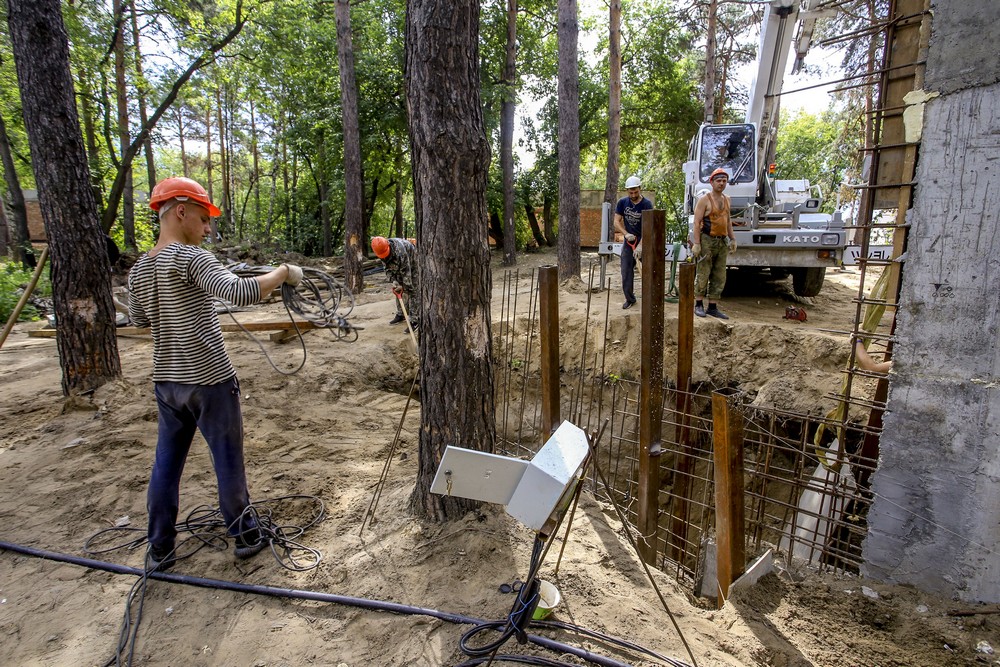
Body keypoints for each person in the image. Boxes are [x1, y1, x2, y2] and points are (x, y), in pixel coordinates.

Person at [127, 176, 302, 571]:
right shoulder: (192, 258)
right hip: (209, 381)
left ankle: (160, 547)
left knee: (165, 464)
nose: (207, 229)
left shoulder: (140, 269)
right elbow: (240, 293)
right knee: (228, 461)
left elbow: (139, 318)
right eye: (204, 219)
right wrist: (283, 272)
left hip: (167, 383)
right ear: (182, 211)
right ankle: (245, 534)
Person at [691, 168, 737, 319]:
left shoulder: (727, 199)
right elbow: (697, 222)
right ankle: (698, 304)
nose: (721, 183)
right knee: (703, 271)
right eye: (718, 181)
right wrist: (697, 243)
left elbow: (728, 221)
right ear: (712, 182)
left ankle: (712, 306)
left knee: (719, 274)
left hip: (721, 240)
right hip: (707, 240)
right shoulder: (705, 200)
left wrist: (732, 238)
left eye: (724, 181)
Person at [613, 175, 654, 310]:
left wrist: (641, 246)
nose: (633, 194)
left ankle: (650, 298)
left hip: (644, 241)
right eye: (631, 192)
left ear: (640, 189)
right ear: (627, 191)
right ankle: (630, 299)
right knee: (626, 271)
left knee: (648, 271)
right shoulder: (622, 203)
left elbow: (648, 227)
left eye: (636, 191)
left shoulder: (647, 204)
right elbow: (616, 222)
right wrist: (626, 234)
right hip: (629, 242)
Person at [371, 236, 419, 329]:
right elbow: (387, 268)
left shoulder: (400, 251)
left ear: (388, 246)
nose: (384, 256)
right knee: (398, 290)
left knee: (412, 290)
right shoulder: (380, 250)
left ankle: (414, 320)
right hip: (398, 266)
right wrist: (394, 281)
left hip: (412, 265)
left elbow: (406, 271)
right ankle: (401, 314)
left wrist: (405, 285)